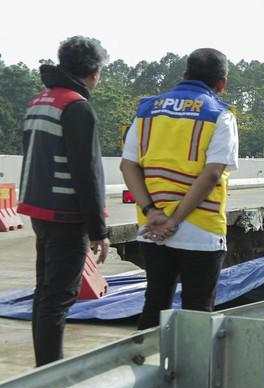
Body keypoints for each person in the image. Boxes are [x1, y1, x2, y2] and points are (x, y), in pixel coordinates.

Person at [120, 48, 238, 330]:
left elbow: (128, 166)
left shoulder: (147, 110)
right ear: (222, 83)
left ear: (184, 75)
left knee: (154, 305)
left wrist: (152, 212)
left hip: (153, 227)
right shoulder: (220, 115)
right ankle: (191, 374)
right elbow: (211, 175)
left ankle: (144, 368)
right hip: (200, 229)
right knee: (197, 312)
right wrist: (174, 221)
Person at [17, 36, 110, 366]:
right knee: (58, 297)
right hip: (65, 214)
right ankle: (49, 371)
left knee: (45, 293)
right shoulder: (76, 107)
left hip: (39, 209)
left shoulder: (40, 100)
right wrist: (99, 230)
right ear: (93, 71)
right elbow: (87, 174)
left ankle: (46, 364)